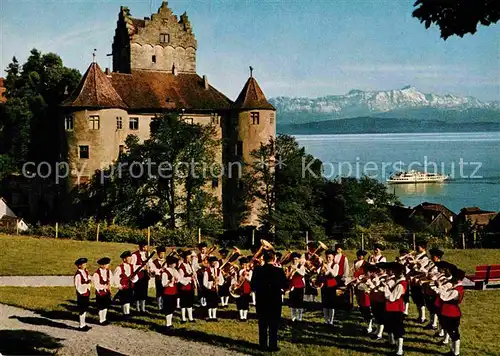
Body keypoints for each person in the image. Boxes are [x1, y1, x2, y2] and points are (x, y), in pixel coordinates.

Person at [251, 249, 288, 352]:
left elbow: (253, 286)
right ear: (274, 258)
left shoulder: (257, 270)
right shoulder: (278, 270)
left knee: (262, 324)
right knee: (273, 324)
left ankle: (262, 345)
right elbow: (285, 285)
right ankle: (273, 345)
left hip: (261, 299)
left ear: (263, 259)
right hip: (274, 300)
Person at [435, 268, 465, 356]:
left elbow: (444, 297)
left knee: (454, 333)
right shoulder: (456, 287)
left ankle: (456, 353)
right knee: (450, 331)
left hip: (452, 313)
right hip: (449, 311)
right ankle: (453, 350)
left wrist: (439, 287)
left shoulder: (456, 290)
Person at [383, 262, 408, 356]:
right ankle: (393, 344)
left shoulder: (401, 284)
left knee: (398, 329)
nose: (393, 273)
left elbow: (391, 298)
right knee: (392, 327)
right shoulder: (397, 281)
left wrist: (385, 288)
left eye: (395, 271)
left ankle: (399, 350)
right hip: (392, 308)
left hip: (396, 308)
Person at [424, 248, 445, 330]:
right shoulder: (431, 264)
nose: (431, 257)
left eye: (433, 256)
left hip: (434, 289)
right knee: (430, 307)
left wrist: (430, 275)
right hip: (428, 287)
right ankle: (431, 322)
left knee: (435, 307)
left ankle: (434, 324)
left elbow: (436, 276)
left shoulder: (440, 266)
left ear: (438, 257)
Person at [352, 250, 373, 333]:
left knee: (366, 305)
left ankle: (370, 325)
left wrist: (361, 279)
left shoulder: (366, 264)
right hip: (357, 286)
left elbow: (368, 275)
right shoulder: (355, 262)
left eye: (361, 255)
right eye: (358, 255)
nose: (360, 257)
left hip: (364, 286)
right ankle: (366, 320)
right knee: (360, 304)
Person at [410, 240, 430, 323]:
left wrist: (413, 263)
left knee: (420, 299)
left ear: (423, 248)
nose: (417, 247)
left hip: (420, 279)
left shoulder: (425, 257)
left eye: (420, 246)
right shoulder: (417, 256)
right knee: (416, 299)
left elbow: (420, 269)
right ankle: (419, 316)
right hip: (413, 280)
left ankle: (423, 317)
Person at [113, 251, 138, 318]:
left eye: (130, 258)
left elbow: (136, 277)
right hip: (123, 287)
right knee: (124, 300)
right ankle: (125, 313)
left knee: (129, 300)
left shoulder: (132, 267)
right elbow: (115, 278)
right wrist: (118, 286)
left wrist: (133, 279)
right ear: (124, 259)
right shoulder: (119, 268)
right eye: (128, 258)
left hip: (130, 286)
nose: (130, 259)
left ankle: (127, 312)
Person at [319, 249, 339, 325]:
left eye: (330, 257)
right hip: (324, 285)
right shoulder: (323, 264)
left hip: (332, 284)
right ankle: (326, 320)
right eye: (327, 257)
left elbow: (334, 274)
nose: (328, 259)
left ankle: (331, 321)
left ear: (333, 257)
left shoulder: (336, 265)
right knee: (325, 303)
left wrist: (327, 267)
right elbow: (319, 273)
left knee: (331, 304)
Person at [131, 241, 150, 313]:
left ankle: (143, 308)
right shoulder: (134, 255)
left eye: (145, 246)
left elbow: (149, 263)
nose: (145, 248)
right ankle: (137, 308)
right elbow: (132, 266)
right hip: (138, 276)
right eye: (143, 246)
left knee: (144, 292)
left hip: (145, 276)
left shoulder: (147, 254)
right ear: (140, 247)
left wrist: (149, 269)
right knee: (138, 292)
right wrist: (141, 267)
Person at [161, 255, 181, 330]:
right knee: (168, 308)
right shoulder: (165, 272)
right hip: (167, 292)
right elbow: (163, 284)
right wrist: (170, 281)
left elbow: (179, 278)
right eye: (173, 263)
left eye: (175, 263)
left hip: (174, 291)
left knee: (172, 307)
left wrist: (176, 279)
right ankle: (167, 324)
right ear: (170, 264)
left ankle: (170, 323)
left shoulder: (174, 270)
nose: (175, 265)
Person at [178, 250, 197, 323]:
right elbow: (180, 278)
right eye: (187, 258)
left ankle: (190, 318)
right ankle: (183, 318)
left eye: (189, 258)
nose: (189, 259)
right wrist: (189, 279)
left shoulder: (190, 265)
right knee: (183, 303)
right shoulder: (182, 267)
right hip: (184, 287)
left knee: (190, 303)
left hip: (190, 287)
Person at [287, 252, 306, 322]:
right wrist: (290, 272)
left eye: (296, 259)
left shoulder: (301, 266)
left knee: (299, 303)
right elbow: (288, 277)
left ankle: (299, 317)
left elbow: (302, 273)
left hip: (300, 286)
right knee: (292, 303)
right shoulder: (289, 266)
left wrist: (296, 269)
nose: (294, 260)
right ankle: (293, 317)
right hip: (292, 286)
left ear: (298, 260)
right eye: (293, 259)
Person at [203, 256, 224, 321]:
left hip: (216, 289)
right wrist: (210, 285)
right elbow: (205, 282)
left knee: (215, 303)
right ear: (210, 263)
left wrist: (218, 282)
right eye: (213, 262)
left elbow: (222, 280)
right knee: (210, 303)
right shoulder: (207, 271)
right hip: (210, 289)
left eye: (215, 262)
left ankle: (214, 316)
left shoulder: (218, 270)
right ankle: (210, 316)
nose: (214, 263)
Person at [93, 257, 112, 325]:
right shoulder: (96, 274)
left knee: (106, 305)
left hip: (106, 292)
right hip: (100, 293)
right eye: (106, 264)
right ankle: (101, 319)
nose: (108, 265)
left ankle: (104, 318)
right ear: (102, 265)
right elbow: (96, 285)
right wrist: (104, 286)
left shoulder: (108, 271)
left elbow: (110, 279)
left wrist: (109, 285)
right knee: (101, 306)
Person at [74, 257, 92, 331]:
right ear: (79, 266)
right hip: (82, 294)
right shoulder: (78, 275)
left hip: (86, 292)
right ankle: (81, 325)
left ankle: (83, 323)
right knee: (82, 309)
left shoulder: (85, 272)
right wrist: (83, 290)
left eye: (85, 264)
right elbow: (78, 286)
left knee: (85, 309)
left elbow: (88, 279)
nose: (85, 265)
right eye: (83, 264)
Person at [232, 257, 253, 321]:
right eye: (242, 264)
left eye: (245, 264)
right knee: (240, 302)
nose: (244, 265)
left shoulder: (250, 271)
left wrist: (246, 276)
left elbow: (250, 280)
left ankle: (245, 316)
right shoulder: (238, 271)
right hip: (239, 288)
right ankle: (241, 316)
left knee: (246, 303)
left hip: (246, 288)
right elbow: (236, 279)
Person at [151, 246, 167, 310]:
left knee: (165, 292)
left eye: (163, 253)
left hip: (165, 279)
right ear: (158, 254)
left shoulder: (167, 261)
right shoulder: (154, 262)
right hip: (158, 279)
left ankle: (164, 305)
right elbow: (152, 270)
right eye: (160, 253)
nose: (162, 255)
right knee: (159, 292)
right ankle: (159, 306)